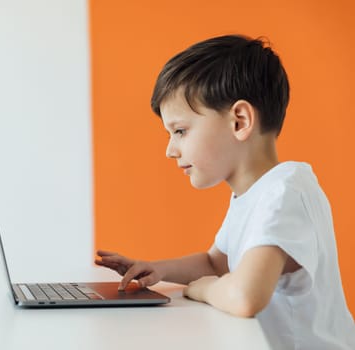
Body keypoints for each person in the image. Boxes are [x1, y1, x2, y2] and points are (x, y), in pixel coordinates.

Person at [95, 34, 355, 349]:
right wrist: (157, 269)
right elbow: (215, 263)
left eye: (180, 131)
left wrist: (203, 289)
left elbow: (245, 296)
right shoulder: (252, 194)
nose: (170, 150)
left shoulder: (285, 190)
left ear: (239, 121)